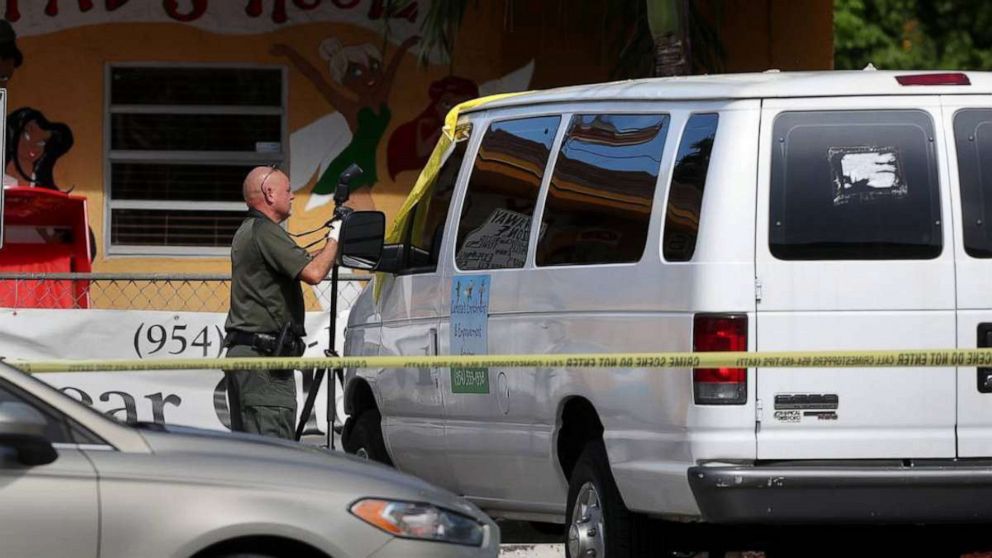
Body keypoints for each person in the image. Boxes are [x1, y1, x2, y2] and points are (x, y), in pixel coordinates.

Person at [223, 165, 342, 439]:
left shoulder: (250, 230)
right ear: (269, 193)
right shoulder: (264, 231)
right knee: (276, 454)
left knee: (253, 455)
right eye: (288, 190)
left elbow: (299, 260)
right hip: (264, 363)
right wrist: (336, 237)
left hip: (249, 357)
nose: (293, 196)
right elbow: (313, 273)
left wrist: (328, 244)